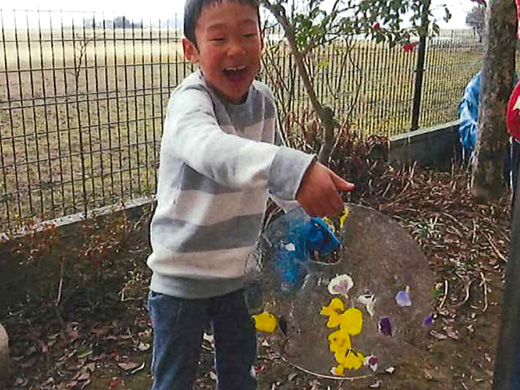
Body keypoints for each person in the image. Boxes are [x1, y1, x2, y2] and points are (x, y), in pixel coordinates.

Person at [146, 1, 355, 389]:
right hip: (181, 281)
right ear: (190, 49)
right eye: (219, 38)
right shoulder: (190, 103)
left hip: (239, 277)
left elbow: (277, 179)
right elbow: (212, 151)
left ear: (262, 39)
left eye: (247, 34)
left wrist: (307, 215)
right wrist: (296, 170)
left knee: (240, 375)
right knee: (173, 379)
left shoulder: (264, 102)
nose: (237, 49)